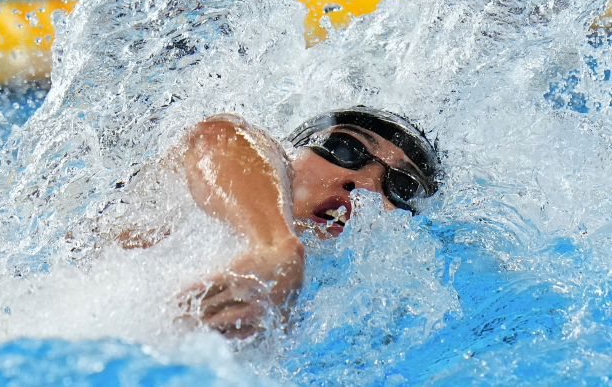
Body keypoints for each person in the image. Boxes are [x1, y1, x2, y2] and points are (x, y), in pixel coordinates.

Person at [168, 106, 440, 339]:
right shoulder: (180, 209)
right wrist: (274, 247)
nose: (366, 184)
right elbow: (216, 136)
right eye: (346, 148)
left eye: (403, 187)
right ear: (287, 155)